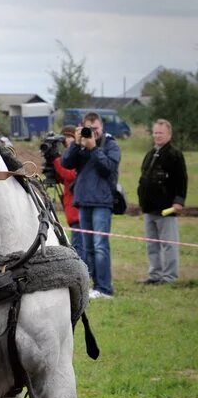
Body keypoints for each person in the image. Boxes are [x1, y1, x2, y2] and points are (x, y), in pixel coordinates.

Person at [60, 112, 121, 298]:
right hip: (83, 200)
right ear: (82, 127)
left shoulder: (110, 145)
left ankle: (105, 288)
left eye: (96, 128)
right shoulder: (81, 146)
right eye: (89, 128)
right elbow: (66, 163)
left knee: (100, 245)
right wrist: (77, 144)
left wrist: (94, 148)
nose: (93, 132)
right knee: (88, 247)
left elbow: (108, 168)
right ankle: (91, 286)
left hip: (102, 201)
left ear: (102, 127)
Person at [137, 118, 187, 284]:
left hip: (166, 209)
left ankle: (169, 277)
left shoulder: (174, 155)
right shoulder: (151, 154)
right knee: (152, 244)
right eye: (156, 132)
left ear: (169, 134)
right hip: (149, 208)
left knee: (168, 244)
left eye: (161, 133)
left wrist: (179, 201)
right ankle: (155, 275)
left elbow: (182, 180)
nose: (158, 136)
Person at [52, 129, 85, 261]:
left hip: (77, 209)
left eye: (68, 137)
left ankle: (82, 268)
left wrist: (56, 161)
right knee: (79, 242)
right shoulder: (66, 157)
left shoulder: (77, 155)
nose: (65, 140)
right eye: (63, 138)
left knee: (79, 244)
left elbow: (70, 174)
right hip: (72, 207)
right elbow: (63, 178)